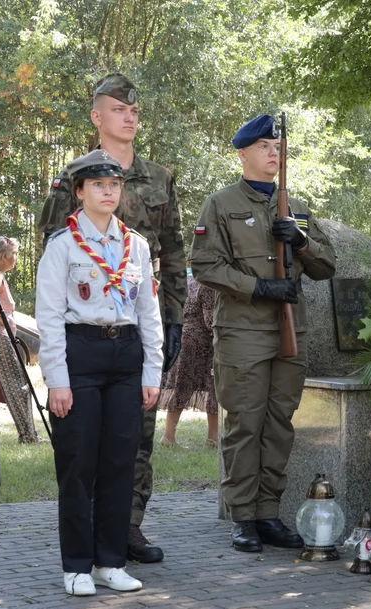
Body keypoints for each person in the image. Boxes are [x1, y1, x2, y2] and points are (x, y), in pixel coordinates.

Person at [38, 73, 187, 565]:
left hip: (139, 325)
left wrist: (174, 319)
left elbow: (174, 252)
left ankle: (127, 528)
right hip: (89, 329)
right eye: (119, 109)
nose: (130, 117)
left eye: (135, 111)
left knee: (135, 433)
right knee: (89, 438)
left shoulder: (160, 177)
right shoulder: (74, 176)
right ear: (97, 116)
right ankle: (92, 537)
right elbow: (54, 248)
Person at [190, 113, 336, 553]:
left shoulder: (296, 208)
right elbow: (205, 265)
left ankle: (269, 513)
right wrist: (258, 287)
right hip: (242, 332)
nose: (274, 154)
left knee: (279, 426)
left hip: (292, 331)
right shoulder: (220, 204)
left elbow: (326, 266)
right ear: (243, 153)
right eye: (265, 147)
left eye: (278, 148)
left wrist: (301, 241)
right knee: (244, 426)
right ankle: (243, 517)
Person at [36, 150, 163, 596]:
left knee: (119, 463)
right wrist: (57, 380)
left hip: (126, 355)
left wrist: (152, 371)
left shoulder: (137, 245)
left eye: (114, 185)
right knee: (78, 463)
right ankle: (76, 565)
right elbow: (48, 316)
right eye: (98, 186)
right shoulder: (63, 245)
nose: (108, 192)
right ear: (80, 192)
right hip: (81, 353)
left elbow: (149, 313)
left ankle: (110, 561)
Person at [0, 237, 40, 443]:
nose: (16, 258)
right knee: (17, 383)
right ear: (3, 255)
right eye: (14, 254)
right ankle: (28, 435)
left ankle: (28, 434)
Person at [159, 273, 218, 447]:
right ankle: (213, 438)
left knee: (181, 387)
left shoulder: (188, 279)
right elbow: (210, 320)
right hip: (202, 343)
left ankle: (168, 436)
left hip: (183, 338)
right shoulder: (209, 283)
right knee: (213, 388)